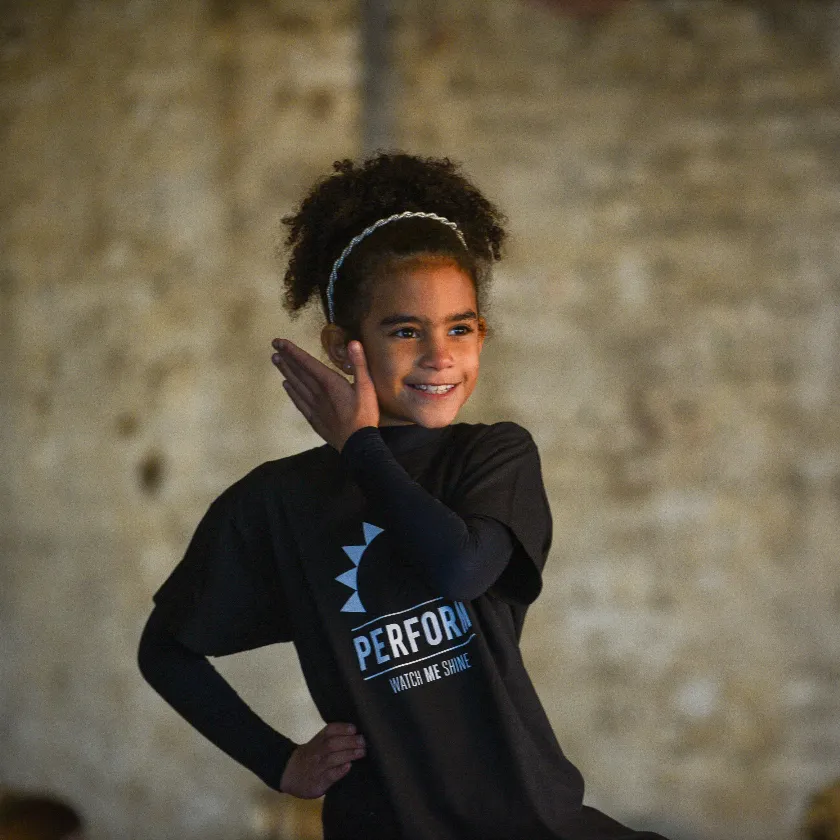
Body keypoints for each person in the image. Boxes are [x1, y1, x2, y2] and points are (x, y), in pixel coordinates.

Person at [138, 152, 669, 840]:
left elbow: (461, 568)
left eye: (461, 327)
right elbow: (165, 649)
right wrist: (280, 762)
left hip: (530, 822)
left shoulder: (493, 456)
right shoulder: (276, 502)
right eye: (405, 331)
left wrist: (360, 449)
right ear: (341, 346)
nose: (440, 355)